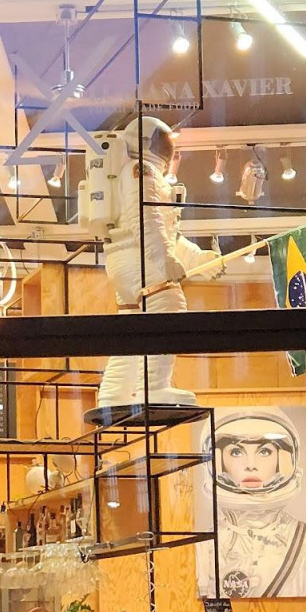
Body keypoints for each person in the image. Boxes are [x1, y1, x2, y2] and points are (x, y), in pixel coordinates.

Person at [92, 116, 217, 409]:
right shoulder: (142, 172)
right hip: (138, 258)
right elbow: (146, 220)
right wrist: (165, 260)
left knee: (133, 327)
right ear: (147, 142)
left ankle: (114, 393)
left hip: (125, 260)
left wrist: (198, 258)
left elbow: (167, 232)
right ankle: (154, 387)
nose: (167, 149)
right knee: (169, 307)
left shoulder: (132, 172)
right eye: (163, 142)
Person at [197, 407, 306, 599]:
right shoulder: (205, 546)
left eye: (264, 451)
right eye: (236, 452)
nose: (250, 465)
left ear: (283, 459)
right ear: (218, 461)